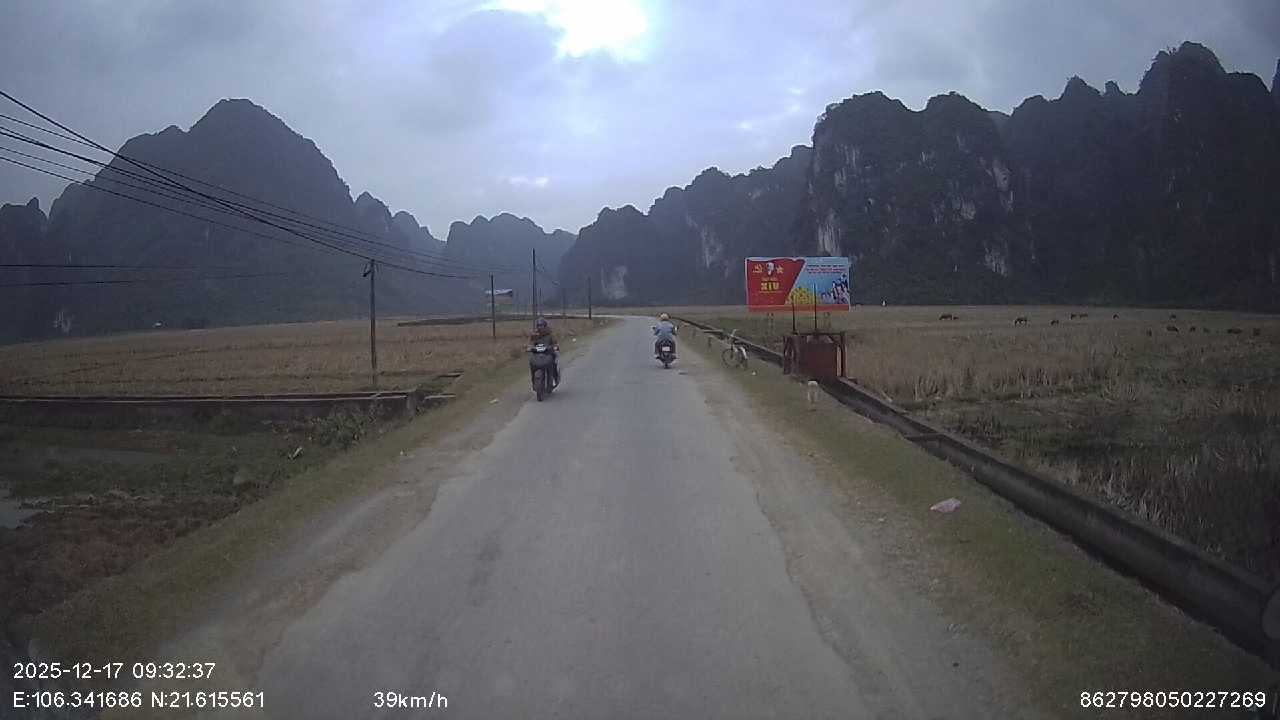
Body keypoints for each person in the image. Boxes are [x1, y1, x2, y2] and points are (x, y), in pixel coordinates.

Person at [529, 316, 559, 387]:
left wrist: (555, 346)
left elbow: (555, 342)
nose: (540, 327)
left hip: (548, 353)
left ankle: (554, 378)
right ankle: (533, 381)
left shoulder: (550, 334)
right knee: (531, 363)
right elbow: (531, 343)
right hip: (537, 354)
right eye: (538, 325)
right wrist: (529, 347)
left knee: (554, 362)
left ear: (545, 326)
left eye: (541, 325)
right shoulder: (535, 335)